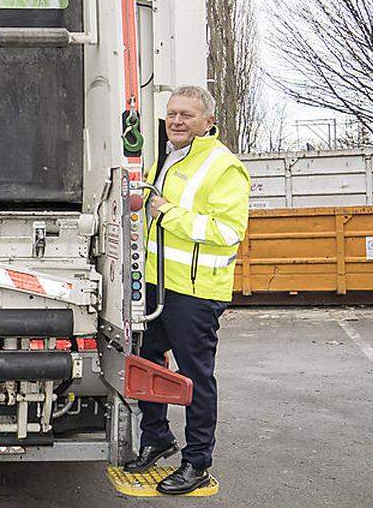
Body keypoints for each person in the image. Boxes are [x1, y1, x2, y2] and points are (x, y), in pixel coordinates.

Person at [122, 85, 250, 495]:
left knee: (195, 376)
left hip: (196, 293)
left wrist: (169, 213)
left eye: (187, 115)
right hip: (159, 286)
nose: (176, 121)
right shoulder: (169, 156)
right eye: (172, 114)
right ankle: (156, 438)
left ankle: (197, 461)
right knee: (148, 364)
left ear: (208, 122)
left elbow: (229, 232)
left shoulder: (223, 166)